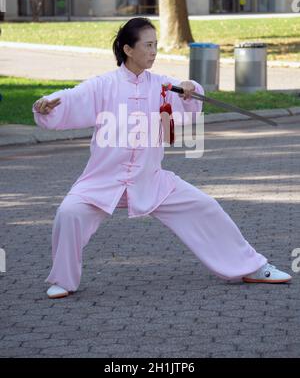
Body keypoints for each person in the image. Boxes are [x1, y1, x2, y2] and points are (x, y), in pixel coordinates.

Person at [32, 17, 292, 299]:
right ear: (128, 49)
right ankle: (63, 280)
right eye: (148, 45)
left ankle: (252, 266)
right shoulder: (103, 85)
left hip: (150, 179)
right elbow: (69, 99)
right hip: (102, 181)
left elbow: (190, 102)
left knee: (205, 206)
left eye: (156, 45)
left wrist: (192, 88)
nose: (154, 51)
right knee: (69, 213)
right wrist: (46, 105)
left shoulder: (162, 85)